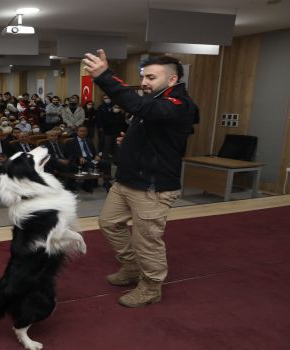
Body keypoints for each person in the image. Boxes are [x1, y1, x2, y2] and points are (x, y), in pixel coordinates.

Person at [83, 50, 198, 307]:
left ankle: (151, 287)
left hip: (153, 187)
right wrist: (131, 142)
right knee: (109, 223)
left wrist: (104, 76)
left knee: (146, 241)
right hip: (127, 180)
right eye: (144, 76)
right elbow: (151, 128)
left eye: (151, 77)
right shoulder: (156, 99)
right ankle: (132, 266)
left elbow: (140, 107)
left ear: (172, 80)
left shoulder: (180, 104)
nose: (144, 82)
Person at [63, 126, 112, 192]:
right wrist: (79, 157)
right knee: (88, 165)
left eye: (85, 131)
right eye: (81, 131)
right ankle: (87, 185)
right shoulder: (71, 142)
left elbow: (93, 152)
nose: (83, 133)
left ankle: (106, 182)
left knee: (106, 163)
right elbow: (68, 153)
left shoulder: (89, 141)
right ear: (77, 132)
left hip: (92, 159)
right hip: (81, 160)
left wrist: (96, 155)